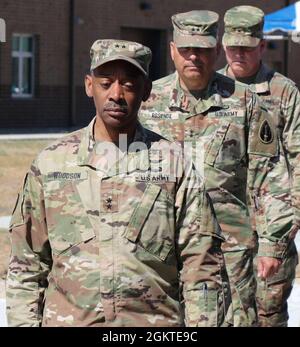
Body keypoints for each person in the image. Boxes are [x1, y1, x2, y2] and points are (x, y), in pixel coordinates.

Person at [6, 39, 227, 327]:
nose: (116, 95)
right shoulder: (51, 166)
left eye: (129, 85)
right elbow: (27, 266)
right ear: (89, 86)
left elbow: (202, 269)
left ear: (146, 91)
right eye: (106, 83)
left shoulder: (175, 166)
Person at [139, 10, 289, 327]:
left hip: (230, 256)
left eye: (203, 49)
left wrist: (273, 245)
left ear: (217, 50)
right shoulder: (147, 103)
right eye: (185, 48)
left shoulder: (245, 102)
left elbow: (272, 177)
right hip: (162, 253)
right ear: (171, 49)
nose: (194, 57)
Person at [219, 5, 299, 327]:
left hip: (271, 224)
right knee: (222, 312)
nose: (238, 54)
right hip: (222, 230)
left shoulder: (283, 92)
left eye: (247, 48)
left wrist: (284, 231)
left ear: (262, 46)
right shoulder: (212, 91)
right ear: (223, 46)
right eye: (232, 47)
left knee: (269, 310)